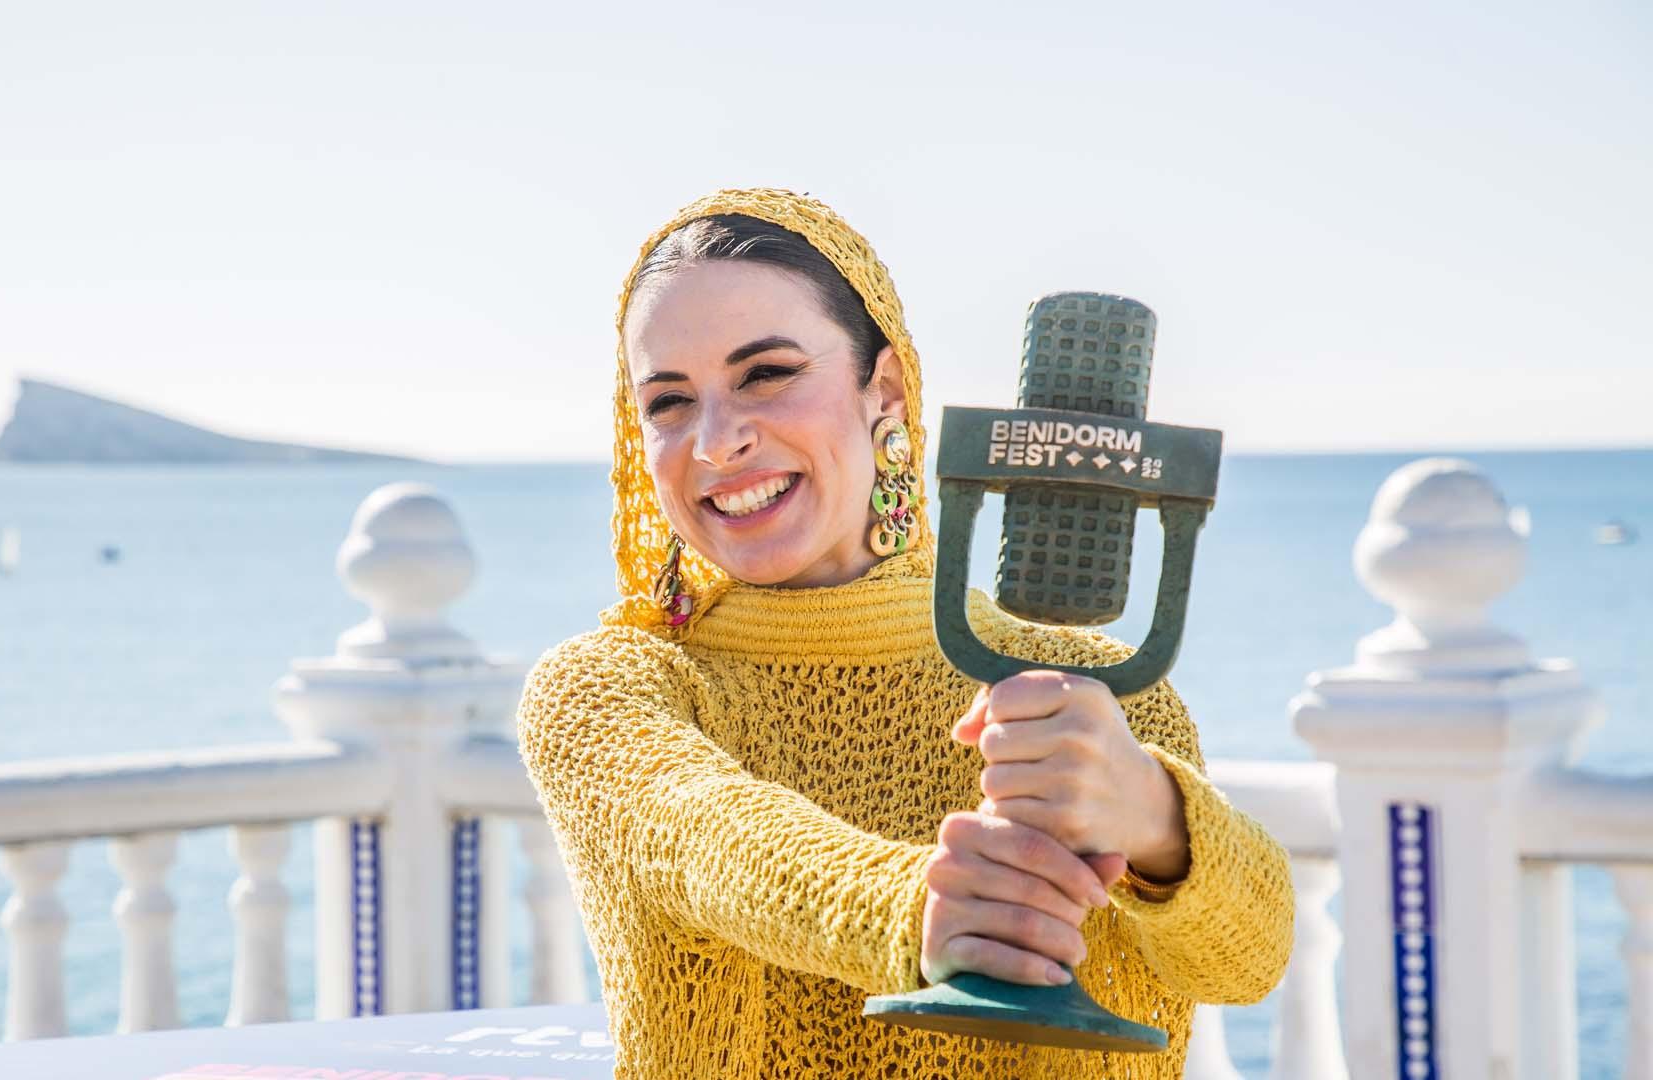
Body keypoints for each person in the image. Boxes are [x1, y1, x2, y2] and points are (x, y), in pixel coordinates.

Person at [515, 187, 1293, 1079]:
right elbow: (701, 833)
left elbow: (1247, 958)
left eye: (766, 374)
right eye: (668, 402)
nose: (716, 441)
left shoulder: (1091, 692)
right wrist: (919, 910)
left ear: (882, 389)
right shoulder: (609, 684)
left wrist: (1156, 818)